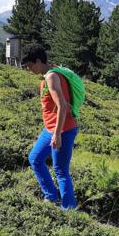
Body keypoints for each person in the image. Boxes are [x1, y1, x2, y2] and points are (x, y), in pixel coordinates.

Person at [22, 44, 79, 210]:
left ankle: (69, 210)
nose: (28, 69)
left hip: (62, 130)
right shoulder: (51, 72)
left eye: (29, 65)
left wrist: (58, 134)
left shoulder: (51, 77)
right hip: (51, 129)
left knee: (60, 170)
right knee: (35, 158)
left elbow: (62, 105)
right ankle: (51, 196)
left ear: (38, 61)